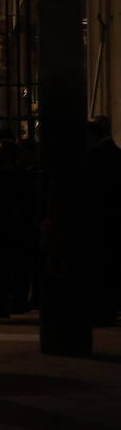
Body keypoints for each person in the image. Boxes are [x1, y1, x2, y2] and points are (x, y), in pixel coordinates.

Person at [0, 137, 35, 316]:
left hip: (6, 227)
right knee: (11, 266)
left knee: (7, 266)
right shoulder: (22, 175)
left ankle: (8, 299)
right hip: (13, 226)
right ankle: (13, 299)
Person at [87, 116, 121, 326]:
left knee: (98, 266)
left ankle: (100, 310)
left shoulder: (94, 156)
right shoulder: (116, 153)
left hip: (98, 218)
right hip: (114, 217)